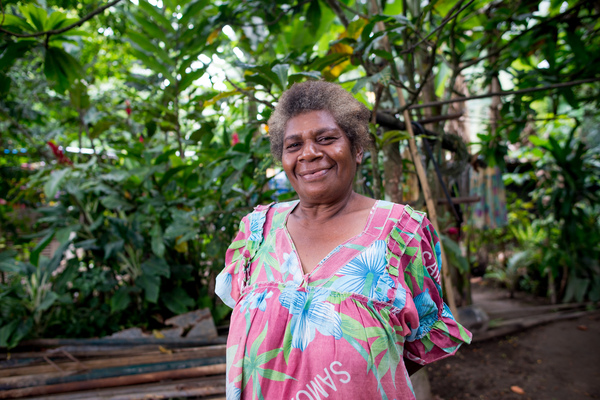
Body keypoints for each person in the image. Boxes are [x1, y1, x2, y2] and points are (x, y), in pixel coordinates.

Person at [216, 81, 472, 400]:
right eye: (293, 145)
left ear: (357, 148)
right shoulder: (256, 231)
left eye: (326, 139)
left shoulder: (401, 231)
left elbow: (421, 341)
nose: (309, 153)